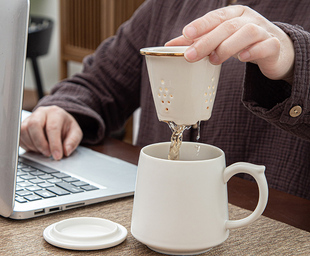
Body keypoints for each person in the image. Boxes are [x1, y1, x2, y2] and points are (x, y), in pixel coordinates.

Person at [20, 0, 310, 200]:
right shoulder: (167, 5)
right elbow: (102, 80)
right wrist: (62, 110)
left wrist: (296, 60)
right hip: (154, 221)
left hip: (272, 243)